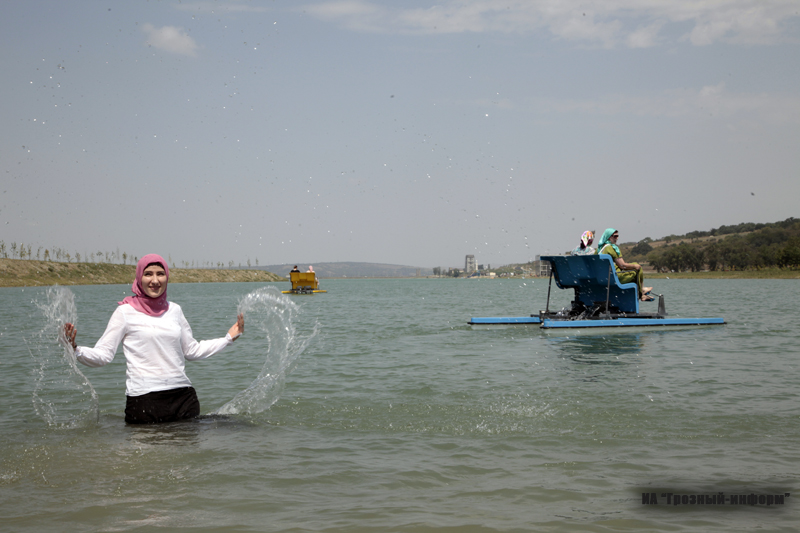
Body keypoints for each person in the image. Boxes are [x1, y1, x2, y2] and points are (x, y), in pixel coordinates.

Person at [63, 254, 244, 424]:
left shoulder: (175, 310)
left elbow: (192, 350)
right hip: (144, 401)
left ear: (167, 277)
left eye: (160, 274)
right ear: (139, 278)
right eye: (148, 274)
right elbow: (104, 355)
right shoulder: (125, 312)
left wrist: (228, 339)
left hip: (183, 399)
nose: (155, 280)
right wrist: (76, 349)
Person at [596, 228, 653, 301]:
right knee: (638, 268)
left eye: (617, 236)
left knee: (634, 266)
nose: (617, 238)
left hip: (602, 278)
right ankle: (642, 293)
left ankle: (642, 290)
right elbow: (622, 265)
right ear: (609, 237)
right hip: (614, 278)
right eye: (615, 236)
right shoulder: (611, 248)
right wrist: (635, 266)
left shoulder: (598, 249)